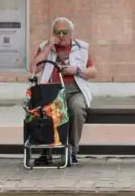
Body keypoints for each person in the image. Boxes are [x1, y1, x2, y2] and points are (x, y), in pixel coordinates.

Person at [30, 17, 97, 165]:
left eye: (64, 32)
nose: (60, 36)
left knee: (77, 109)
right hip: (51, 89)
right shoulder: (46, 46)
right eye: (56, 32)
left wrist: (76, 70)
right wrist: (48, 47)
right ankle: (45, 152)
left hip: (75, 90)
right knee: (45, 112)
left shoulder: (81, 48)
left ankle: (72, 150)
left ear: (71, 33)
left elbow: (93, 72)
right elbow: (34, 68)